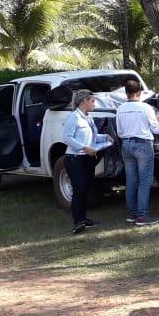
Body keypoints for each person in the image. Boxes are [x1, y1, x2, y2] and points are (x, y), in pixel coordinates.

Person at [62, 89, 111, 235]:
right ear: (84, 101)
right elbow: (67, 138)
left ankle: (84, 219)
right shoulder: (74, 117)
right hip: (74, 159)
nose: (94, 104)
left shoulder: (88, 117)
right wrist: (84, 147)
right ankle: (78, 222)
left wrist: (105, 137)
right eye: (93, 101)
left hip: (87, 158)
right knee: (79, 189)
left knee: (86, 189)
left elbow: (93, 136)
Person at [116, 79, 159, 226]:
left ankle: (132, 213)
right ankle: (142, 216)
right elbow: (156, 129)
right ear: (139, 92)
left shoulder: (120, 108)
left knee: (131, 181)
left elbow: (119, 131)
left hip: (126, 145)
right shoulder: (146, 108)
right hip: (142, 145)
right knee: (145, 181)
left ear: (126, 93)